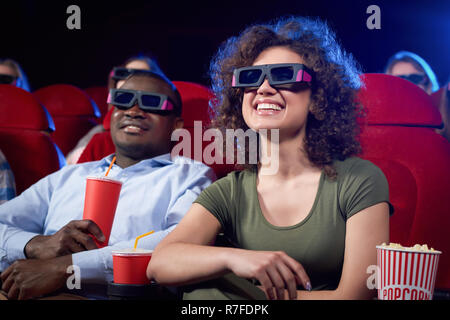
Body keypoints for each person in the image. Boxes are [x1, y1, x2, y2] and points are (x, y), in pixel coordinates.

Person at [148, 16, 393, 300]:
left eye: (284, 75)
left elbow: (355, 296)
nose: (263, 88)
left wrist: (253, 296)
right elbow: (160, 263)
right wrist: (235, 259)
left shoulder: (360, 180)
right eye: (250, 78)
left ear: (317, 98)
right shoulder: (231, 190)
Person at [0, 71, 215, 300]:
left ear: (176, 125)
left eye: (151, 103)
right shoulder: (70, 175)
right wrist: (34, 245)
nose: (133, 111)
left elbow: (177, 243)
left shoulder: (191, 175)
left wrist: (65, 268)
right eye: (123, 100)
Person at [66, 54, 165, 164]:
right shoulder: (99, 136)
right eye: (126, 74)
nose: (132, 80)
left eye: (141, 75)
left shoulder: (161, 135)